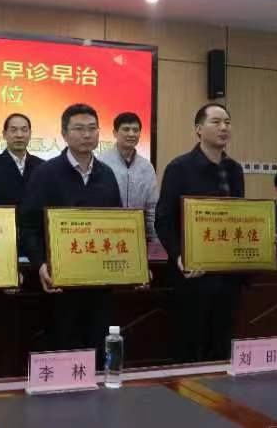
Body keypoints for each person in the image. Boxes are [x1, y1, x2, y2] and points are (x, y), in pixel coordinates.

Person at [20, 103, 122, 356]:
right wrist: (40, 264)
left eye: (92, 128)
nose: (87, 134)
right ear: (64, 134)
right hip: (60, 284)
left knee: (97, 346)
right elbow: (29, 226)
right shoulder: (46, 173)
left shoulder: (107, 174)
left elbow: (118, 225)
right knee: (65, 347)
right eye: (78, 128)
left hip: (99, 282)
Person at [155, 103, 244, 363]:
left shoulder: (235, 170)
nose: (224, 127)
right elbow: (163, 220)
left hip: (227, 274)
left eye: (227, 122)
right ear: (198, 129)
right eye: (216, 122)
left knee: (221, 346)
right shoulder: (179, 167)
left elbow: (239, 217)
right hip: (193, 275)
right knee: (190, 347)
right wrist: (179, 255)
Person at [98, 112, 159, 244]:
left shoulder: (147, 167)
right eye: (126, 129)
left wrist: (154, 240)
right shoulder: (100, 163)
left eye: (135, 130)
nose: (131, 134)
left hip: (138, 237)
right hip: (105, 236)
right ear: (115, 133)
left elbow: (152, 208)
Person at [0, 113, 44, 207]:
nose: (19, 135)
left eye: (24, 130)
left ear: (30, 134)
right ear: (4, 134)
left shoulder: (42, 166)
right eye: (13, 130)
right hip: (5, 216)